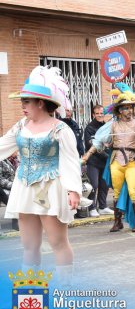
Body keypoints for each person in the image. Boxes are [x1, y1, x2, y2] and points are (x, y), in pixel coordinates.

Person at [0, 66, 81, 285]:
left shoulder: (60, 129)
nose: (22, 106)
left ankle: (65, 290)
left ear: (40, 103)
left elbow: (70, 160)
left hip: (50, 189)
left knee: (58, 243)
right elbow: (2, 147)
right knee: (29, 245)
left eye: (26, 101)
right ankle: (31, 291)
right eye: (22, 102)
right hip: (24, 189)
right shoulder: (21, 126)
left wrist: (73, 189)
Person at [82, 84, 135, 233]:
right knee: (116, 193)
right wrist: (87, 155)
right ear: (120, 111)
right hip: (116, 162)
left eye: (130, 107)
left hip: (132, 162)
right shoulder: (112, 126)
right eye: (125, 108)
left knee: (133, 191)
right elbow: (98, 142)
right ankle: (117, 222)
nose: (129, 111)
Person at [83, 105, 112, 217]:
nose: (100, 115)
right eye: (97, 113)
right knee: (93, 185)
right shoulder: (89, 128)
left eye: (101, 113)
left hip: (105, 162)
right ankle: (92, 208)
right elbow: (91, 144)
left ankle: (103, 207)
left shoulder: (106, 127)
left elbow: (109, 142)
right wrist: (104, 151)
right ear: (93, 115)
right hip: (93, 161)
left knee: (104, 185)